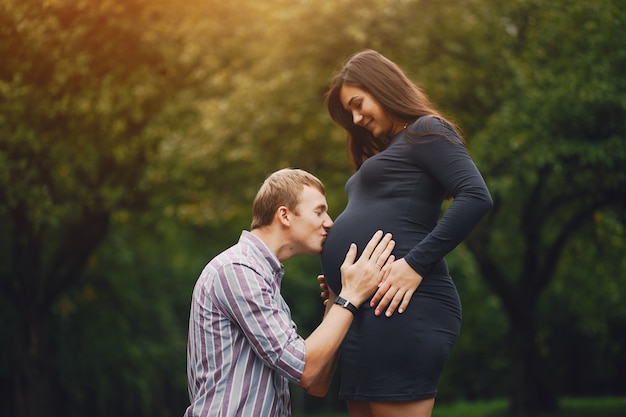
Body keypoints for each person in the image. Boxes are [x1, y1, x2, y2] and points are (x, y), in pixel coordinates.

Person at [320, 50, 493, 417]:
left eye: (358, 103)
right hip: (363, 310)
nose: (356, 118)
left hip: (403, 306)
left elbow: (476, 196)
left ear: (381, 87)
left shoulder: (426, 131)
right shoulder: (394, 151)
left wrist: (414, 265)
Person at [184, 168, 395, 417]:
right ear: (284, 215)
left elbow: (316, 383)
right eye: (319, 211)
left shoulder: (264, 281)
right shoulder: (238, 270)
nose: (329, 222)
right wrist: (352, 295)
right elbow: (305, 368)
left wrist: (336, 303)